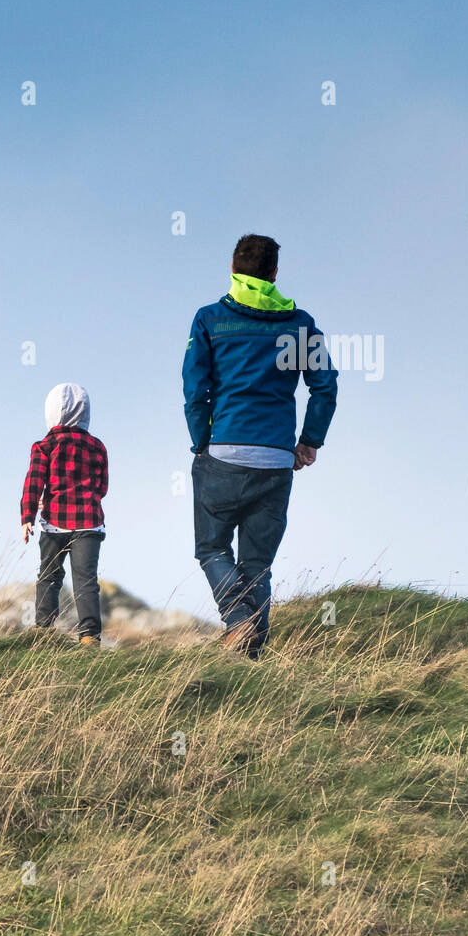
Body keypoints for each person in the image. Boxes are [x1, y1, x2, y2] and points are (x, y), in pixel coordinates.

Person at [182, 234, 338, 658]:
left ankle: (237, 620)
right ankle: (252, 663)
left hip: (223, 453)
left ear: (233, 270)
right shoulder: (300, 324)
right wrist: (309, 441)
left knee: (212, 548)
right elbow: (325, 387)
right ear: (274, 275)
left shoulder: (209, 319)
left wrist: (201, 442)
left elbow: (196, 390)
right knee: (257, 565)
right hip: (274, 459)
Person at [20, 382, 108, 648]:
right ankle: (90, 635)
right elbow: (102, 487)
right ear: (85, 413)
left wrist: (27, 516)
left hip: (54, 523)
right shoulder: (97, 446)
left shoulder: (44, 445)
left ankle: (44, 630)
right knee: (86, 580)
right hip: (90, 523)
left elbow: (33, 483)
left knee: (49, 575)